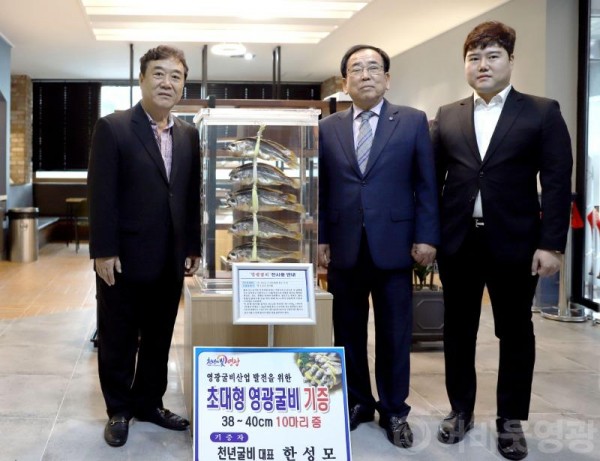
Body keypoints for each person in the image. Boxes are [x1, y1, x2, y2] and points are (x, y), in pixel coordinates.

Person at [431, 21, 572, 460]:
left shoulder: (541, 112)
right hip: (458, 242)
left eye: (492, 56)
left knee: (515, 332)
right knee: (458, 330)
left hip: (515, 243)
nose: (483, 65)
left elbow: (556, 181)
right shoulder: (448, 114)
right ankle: (460, 410)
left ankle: (510, 422)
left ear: (511, 60)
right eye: (474, 58)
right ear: (465, 65)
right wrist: (428, 237)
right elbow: (432, 181)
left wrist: (552, 244)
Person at [318, 44, 439, 448]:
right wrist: (321, 238)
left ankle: (393, 409)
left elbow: (426, 184)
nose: (365, 75)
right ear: (344, 82)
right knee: (346, 330)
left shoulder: (412, 121)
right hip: (344, 247)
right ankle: (356, 402)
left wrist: (427, 237)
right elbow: (322, 190)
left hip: (396, 246)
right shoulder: (328, 127)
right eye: (356, 68)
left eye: (373, 68)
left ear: (387, 78)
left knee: (394, 332)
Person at [87, 45, 201, 447]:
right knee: (118, 336)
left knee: (159, 335)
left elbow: (189, 195)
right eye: (159, 74)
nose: (167, 82)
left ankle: (150, 402)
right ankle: (119, 409)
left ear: (183, 85)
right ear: (142, 79)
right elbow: (101, 194)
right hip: (123, 256)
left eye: (176, 76)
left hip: (170, 257)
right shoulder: (114, 127)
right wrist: (103, 250)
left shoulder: (188, 134)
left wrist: (193, 245)